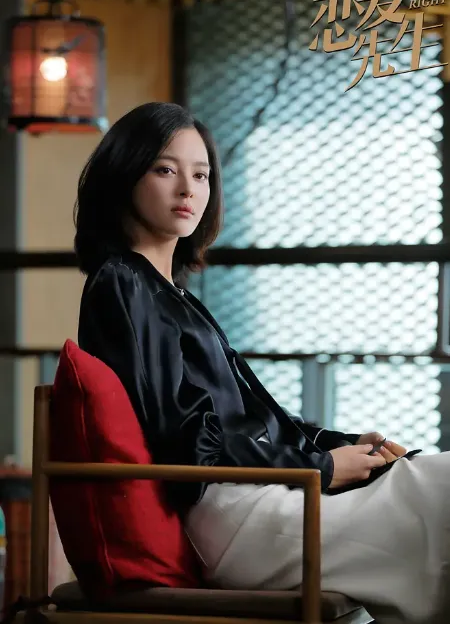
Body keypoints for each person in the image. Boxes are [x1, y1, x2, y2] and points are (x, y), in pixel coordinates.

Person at [75, 102, 450, 624]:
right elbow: (182, 440)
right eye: (164, 169)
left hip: (261, 493)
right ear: (124, 175)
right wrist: (319, 468)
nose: (188, 190)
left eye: (201, 175)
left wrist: (337, 445)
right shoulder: (123, 284)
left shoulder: (172, 294)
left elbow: (251, 418)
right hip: (233, 516)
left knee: (432, 478)